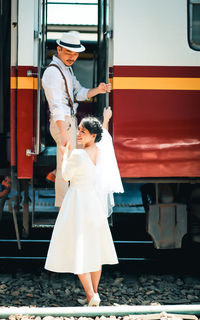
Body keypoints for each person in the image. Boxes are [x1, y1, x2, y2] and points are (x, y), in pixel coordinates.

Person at [45, 108, 124, 306]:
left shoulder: (79, 155)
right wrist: (105, 119)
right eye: (79, 130)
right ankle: (94, 293)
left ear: (92, 135)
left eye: (83, 132)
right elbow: (105, 136)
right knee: (94, 250)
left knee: (78, 248)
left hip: (77, 202)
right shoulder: (102, 151)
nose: (78, 134)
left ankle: (91, 295)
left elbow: (65, 176)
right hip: (94, 203)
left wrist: (64, 155)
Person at [42, 31, 111, 209]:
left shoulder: (67, 69)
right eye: (68, 53)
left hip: (70, 122)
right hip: (63, 122)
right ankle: (63, 209)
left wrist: (98, 90)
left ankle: (66, 199)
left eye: (75, 54)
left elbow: (78, 93)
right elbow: (56, 107)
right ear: (59, 49)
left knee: (79, 158)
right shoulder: (52, 73)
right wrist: (64, 133)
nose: (72, 57)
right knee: (66, 166)